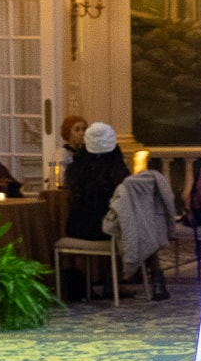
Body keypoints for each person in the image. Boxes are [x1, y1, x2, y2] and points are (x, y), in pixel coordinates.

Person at [65, 121, 166, 300]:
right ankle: (156, 277)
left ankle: (110, 282)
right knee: (139, 223)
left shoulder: (74, 170)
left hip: (78, 229)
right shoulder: (118, 172)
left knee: (122, 223)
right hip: (107, 231)